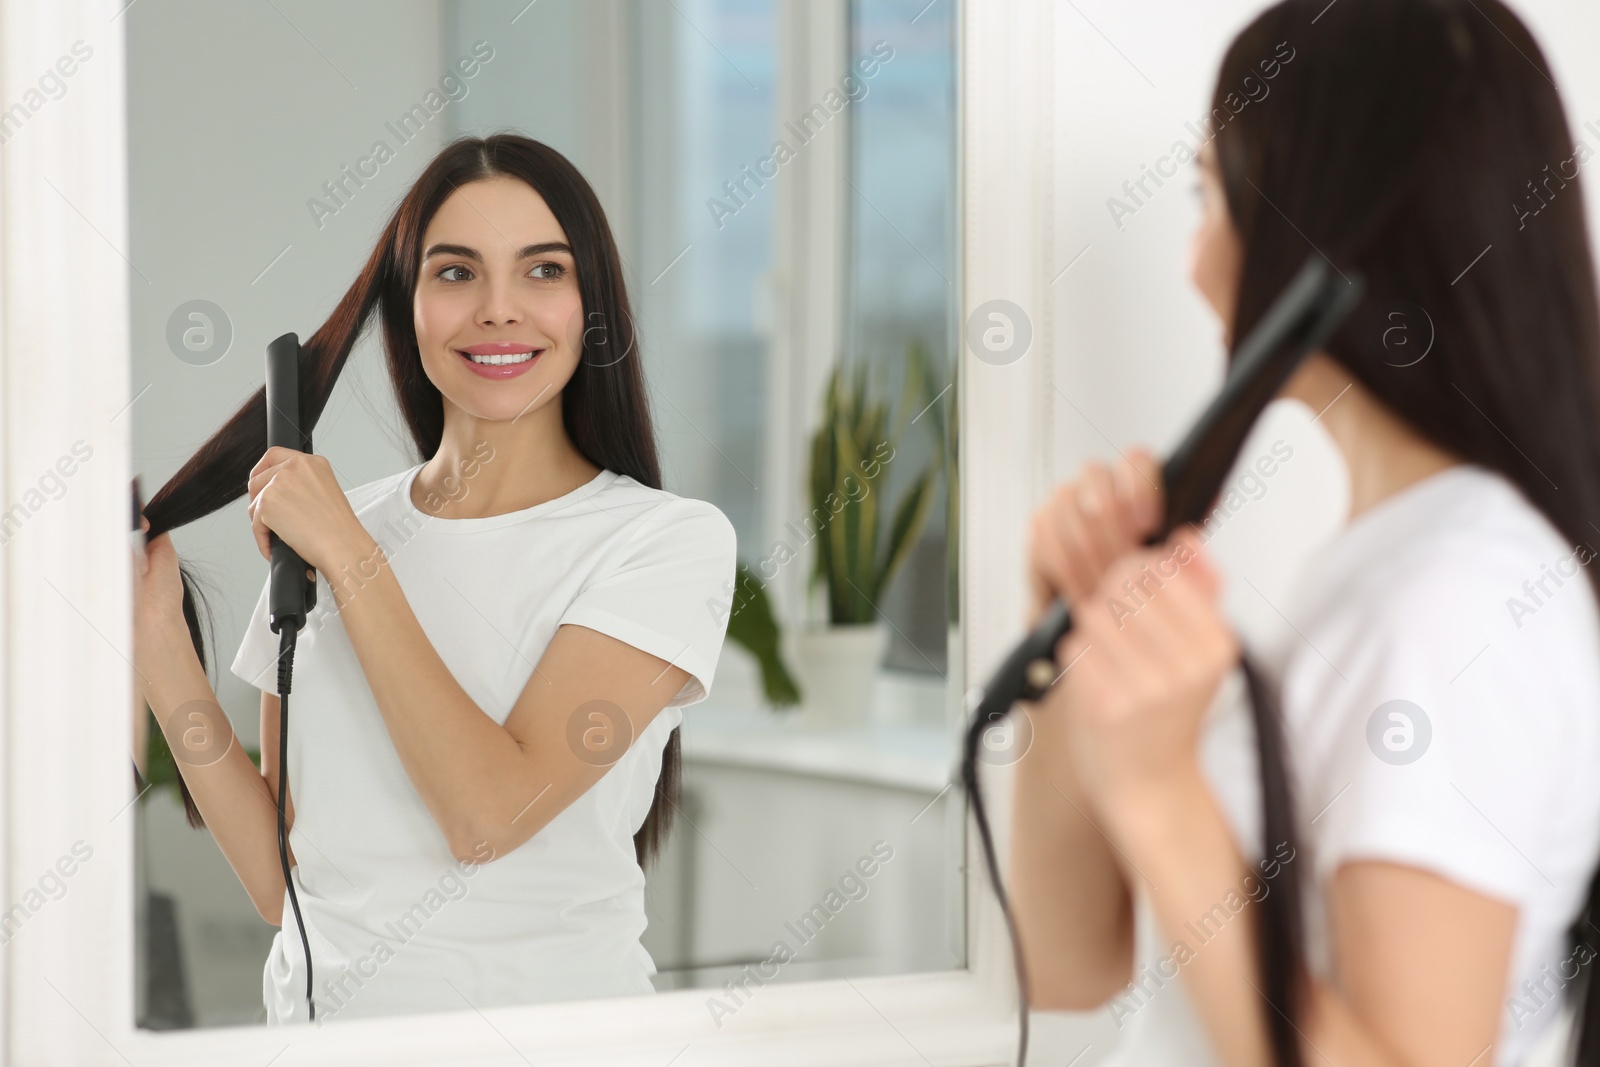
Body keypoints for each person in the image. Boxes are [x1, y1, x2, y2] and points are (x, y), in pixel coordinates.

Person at [1009, 1, 1600, 1064]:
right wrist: (1070, 646)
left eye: (1209, 194)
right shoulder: (1387, 563)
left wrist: (1160, 791)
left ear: (1325, 215)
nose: (1193, 262)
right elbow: (1064, 963)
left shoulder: (1457, 593)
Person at [131, 134, 737, 1025]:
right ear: (406, 306)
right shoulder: (337, 524)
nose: (499, 310)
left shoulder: (663, 540)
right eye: (456, 273)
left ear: (590, 304)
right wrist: (155, 639)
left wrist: (348, 555)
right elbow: (279, 875)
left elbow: (487, 816)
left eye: (543, 271)